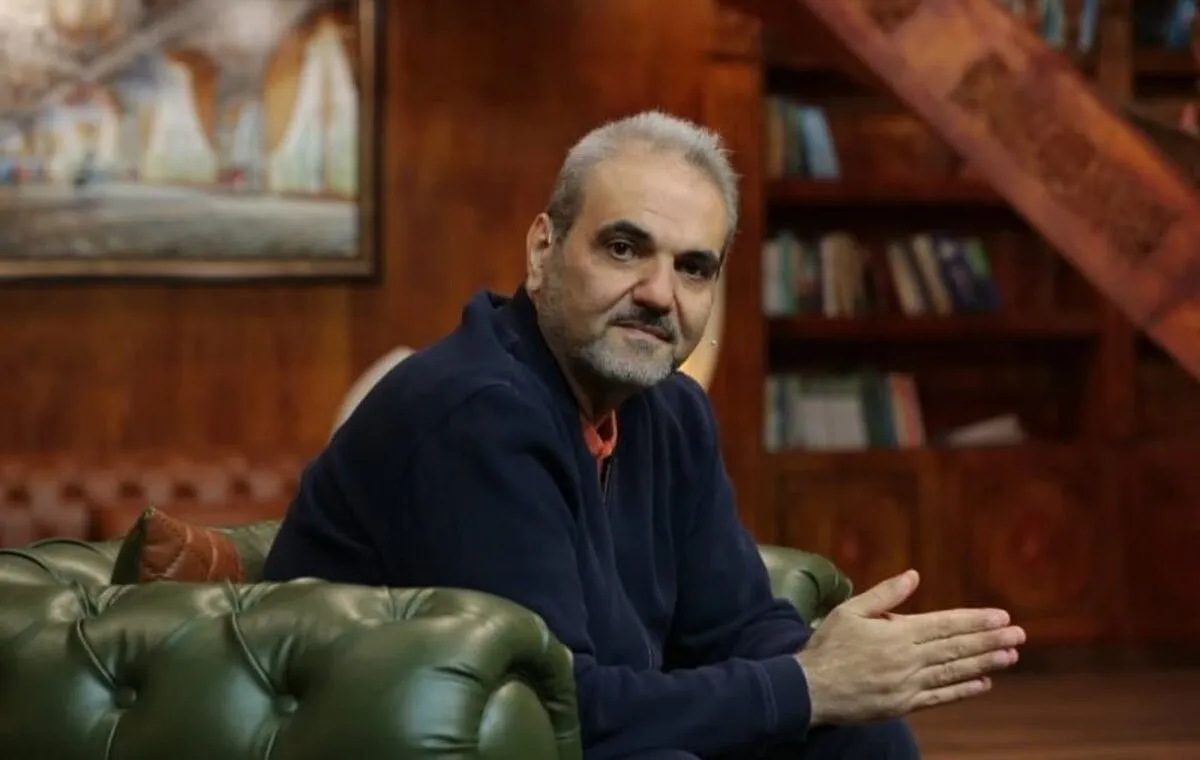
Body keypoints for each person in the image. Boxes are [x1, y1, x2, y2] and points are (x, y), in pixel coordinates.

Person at [262, 111, 1026, 759]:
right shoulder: (475, 412)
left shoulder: (671, 411)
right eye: (624, 249)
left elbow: (734, 624)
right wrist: (806, 684)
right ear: (542, 252)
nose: (659, 294)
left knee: (862, 736)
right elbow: (562, 705)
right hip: (387, 739)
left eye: (693, 268)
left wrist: (835, 661)